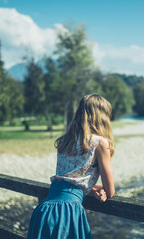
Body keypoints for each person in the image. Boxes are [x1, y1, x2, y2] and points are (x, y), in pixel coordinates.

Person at [27, 94, 115, 239]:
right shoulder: (100, 143)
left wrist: (91, 190)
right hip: (67, 212)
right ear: (102, 117)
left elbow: (69, 180)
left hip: (44, 210)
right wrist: (100, 190)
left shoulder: (65, 141)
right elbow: (110, 191)